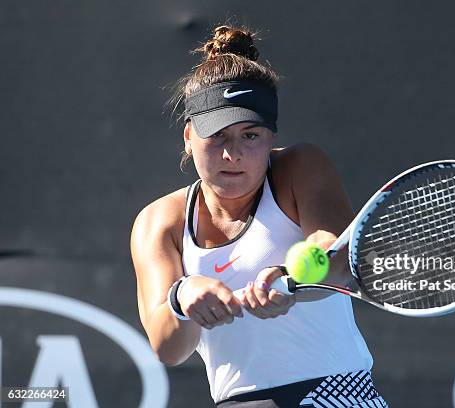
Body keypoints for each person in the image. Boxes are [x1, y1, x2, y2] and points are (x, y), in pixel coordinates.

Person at [130, 25, 388, 408]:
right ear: (188, 137)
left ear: (271, 137)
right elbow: (168, 349)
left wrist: (293, 277)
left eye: (250, 136)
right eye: (216, 136)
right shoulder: (158, 222)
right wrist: (183, 298)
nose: (232, 154)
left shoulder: (300, 166)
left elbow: (336, 258)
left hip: (335, 396)